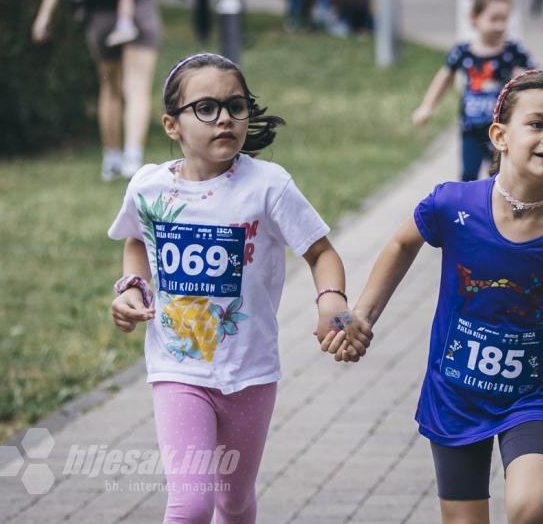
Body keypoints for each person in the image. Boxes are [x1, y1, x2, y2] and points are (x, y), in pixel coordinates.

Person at [326, 70, 543, 524]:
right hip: (456, 393)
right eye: (537, 124)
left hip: (531, 395)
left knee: (530, 509)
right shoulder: (452, 205)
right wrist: (364, 315)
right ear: (500, 135)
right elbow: (401, 243)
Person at [108, 53, 371, 522]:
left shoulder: (267, 185)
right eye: (206, 108)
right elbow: (136, 237)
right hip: (177, 369)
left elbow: (320, 252)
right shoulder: (148, 187)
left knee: (234, 500)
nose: (225, 117)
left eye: (236, 105)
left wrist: (330, 299)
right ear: (172, 125)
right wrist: (131, 288)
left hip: (250, 371)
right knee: (190, 505)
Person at [32, 0, 162, 181]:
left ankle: (111, 160)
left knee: (110, 88)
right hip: (138, 8)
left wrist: (44, 15)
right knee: (137, 88)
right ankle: (132, 159)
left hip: (99, 13)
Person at [413, 0, 535, 182]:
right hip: (471, 128)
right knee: (468, 175)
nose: (500, 26)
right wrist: (427, 107)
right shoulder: (463, 51)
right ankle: (469, 212)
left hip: (503, 129)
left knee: (503, 176)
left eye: (504, 19)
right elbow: (444, 77)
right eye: (494, 19)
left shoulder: (513, 51)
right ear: (474, 19)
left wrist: (521, 81)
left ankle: (500, 211)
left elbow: (535, 79)